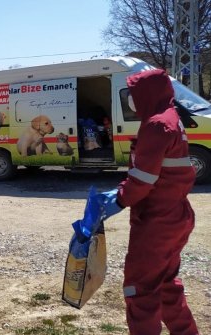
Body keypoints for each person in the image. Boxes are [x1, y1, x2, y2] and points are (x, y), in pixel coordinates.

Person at [98, 69, 198, 335]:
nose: (130, 98)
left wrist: (119, 199)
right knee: (166, 285)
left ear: (147, 93)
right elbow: (155, 171)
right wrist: (122, 190)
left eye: (133, 92)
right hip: (175, 216)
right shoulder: (171, 118)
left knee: (140, 290)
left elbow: (143, 180)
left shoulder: (156, 124)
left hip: (157, 222)